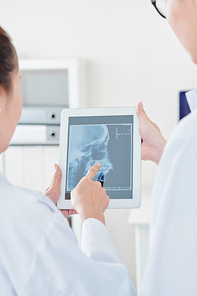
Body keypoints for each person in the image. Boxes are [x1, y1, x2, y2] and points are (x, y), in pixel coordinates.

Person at [0, 27, 135, 295]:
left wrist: (41, 213)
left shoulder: (25, 216)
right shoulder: (24, 219)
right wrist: (92, 218)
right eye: (19, 84)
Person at [136, 0, 197, 295]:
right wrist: (167, 154)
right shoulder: (187, 143)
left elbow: (168, 287)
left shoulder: (191, 138)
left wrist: (94, 221)